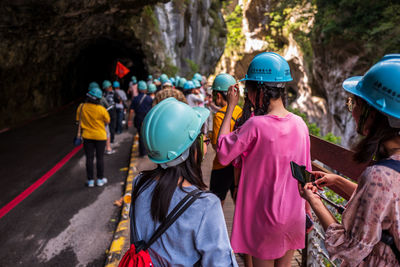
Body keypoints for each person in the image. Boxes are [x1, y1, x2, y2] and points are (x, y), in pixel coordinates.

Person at [298, 54, 400, 267]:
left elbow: (350, 249)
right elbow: (386, 206)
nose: (352, 110)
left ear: (374, 113)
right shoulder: (390, 169)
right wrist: (338, 181)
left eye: (355, 103)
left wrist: (313, 201)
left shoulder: (379, 175)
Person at [217, 52, 311, 267]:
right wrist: (306, 211)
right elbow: (304, 172)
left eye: (248, 89)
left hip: (265, 219)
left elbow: (223, 154)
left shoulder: (255, 125)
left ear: (258, 90)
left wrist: (230, 107)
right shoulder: (300, 124)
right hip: (294, 215)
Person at [129, 97, 238, 266]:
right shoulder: (206, 205)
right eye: (202, 138)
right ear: (190, 150)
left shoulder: (139, 183)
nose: (206, 144)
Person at [209, 73, 242, 206]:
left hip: (221, 166)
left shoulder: (219, 116)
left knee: (216, 203)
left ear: (218, 95)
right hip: (237, 166)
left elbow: (218, 146)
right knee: (238, 201)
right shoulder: (240, 111)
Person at [76, 87, 110, 187]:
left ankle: (90, 180)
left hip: (87, 136)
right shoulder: (101, 109)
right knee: (100, 158)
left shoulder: (81, 107)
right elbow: (108, 120)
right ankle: (100, 179)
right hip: (100, 136)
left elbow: (78, 120)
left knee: (89, 158)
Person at [128, 80, 153, 157]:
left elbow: (131, 111)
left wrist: (129, 120)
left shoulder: (135, 99)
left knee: (141, 136)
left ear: (138, 89)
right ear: (146, 89)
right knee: (148, 135)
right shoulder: (149, 99)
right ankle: (150, 151)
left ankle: (143, 153)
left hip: (138, 119)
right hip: (148, 120)